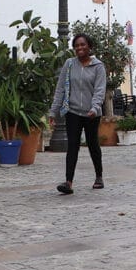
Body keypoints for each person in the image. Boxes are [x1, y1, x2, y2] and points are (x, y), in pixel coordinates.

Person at [49, 33, 107, 194]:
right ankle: (68, 182)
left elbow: (100, 90)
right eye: (77, 45)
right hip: (73, 111)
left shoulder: (98, 66)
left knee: (92, 143)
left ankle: (99, 176)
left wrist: (94, 108)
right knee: (72, 146)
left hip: (91, 113)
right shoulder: (69, 64)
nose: (80, 48)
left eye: (83, 45)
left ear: (89, 46)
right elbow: (60, 89)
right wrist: (53, 112)